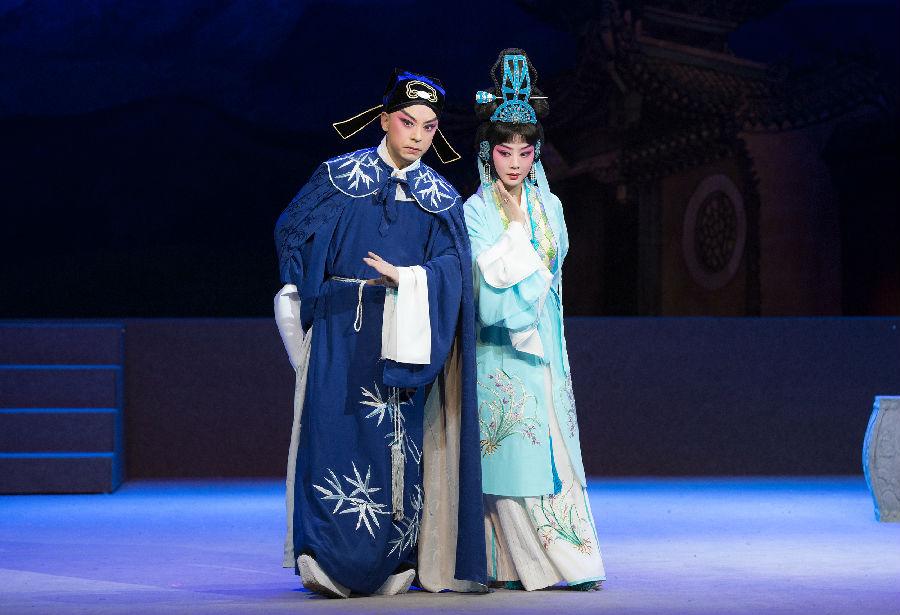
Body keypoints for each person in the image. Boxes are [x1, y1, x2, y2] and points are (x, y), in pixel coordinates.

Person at [273, 69, 486, 598]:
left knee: (396, 448)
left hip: (402, 337)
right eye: (408, 122)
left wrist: (410, 279)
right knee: (332, 437)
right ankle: (326, 557)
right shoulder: (339, 177)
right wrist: (298, 300)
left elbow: (454, 268)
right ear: (385, 119)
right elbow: (292, 231)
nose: (417, 136)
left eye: (429, 127)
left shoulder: (440, 197)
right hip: (340, 330)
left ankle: (391, 561)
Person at [463, 49, 606, 591]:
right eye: (505, 151)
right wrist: (517, 242)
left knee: (552, 449)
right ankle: (509, 565)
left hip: (543, 341)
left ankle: (571, 561)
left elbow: (554, 274)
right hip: (497, 346)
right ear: (489, 152)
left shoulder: (552, 208)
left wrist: (523, 247)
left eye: (525, 151)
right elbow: (485, 290)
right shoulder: (475, 211)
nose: (515, 163)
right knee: (510, 456)